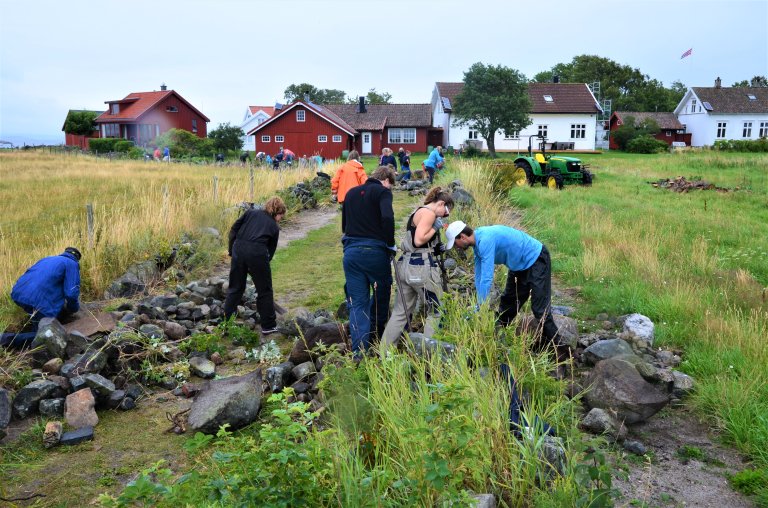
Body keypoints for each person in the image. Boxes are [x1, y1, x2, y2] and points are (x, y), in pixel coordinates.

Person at [445, 221, 567, 362]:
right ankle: (494, 342)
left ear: (462, 237)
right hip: (518, 267)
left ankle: (563, 352)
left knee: (540, 310)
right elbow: (478, 275)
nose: (456, 247)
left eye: (455, 243)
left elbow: (486, 278)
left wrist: (481, 306)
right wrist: (478, 304)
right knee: (507, 307)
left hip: (536, 259)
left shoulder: (485, 240)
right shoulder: (477, 245)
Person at [381, 187, 454, 355]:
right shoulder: (429, 213)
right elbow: (419, 239)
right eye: (446, 210)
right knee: (437, 310)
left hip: (405, 265)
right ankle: (429, 356)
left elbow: (416, 242)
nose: (445, 215)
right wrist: (436, 227)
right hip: (421, 269)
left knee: (401, 312)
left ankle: (385, 354)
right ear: (441, 203)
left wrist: (437, 248)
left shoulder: (417, 212)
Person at [341, 166, 397, 357]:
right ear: (387, 181)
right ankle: (380, 342)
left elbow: (344, 225)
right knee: (381, 294)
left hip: (351, 252)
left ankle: (359, 352)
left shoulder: (350, 193)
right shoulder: (383, 193)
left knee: (358, 303)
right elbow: (388, 218)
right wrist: (390, 244)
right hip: (375, 252)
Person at [223, 197, 287, 336]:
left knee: (235, 287)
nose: (281, 218)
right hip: (257, 253)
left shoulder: (250, 213)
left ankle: (227, 323)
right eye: (281, 215)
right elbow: (270, 251)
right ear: (278, 212)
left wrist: (231, 250)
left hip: (238, 249)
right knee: (264, 290)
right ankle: (268, 325)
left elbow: (234, 229)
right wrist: (261, 266)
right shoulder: (273, 226)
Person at [1, 247, 82, 347]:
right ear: (77, 258)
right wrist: (73, 308)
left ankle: (29, 337)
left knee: (37, 324)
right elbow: (71, 293)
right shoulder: (72, 264)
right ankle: (5, 339)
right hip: (39, 301)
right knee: (44, 335)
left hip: (19, 293)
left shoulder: (47, 259)